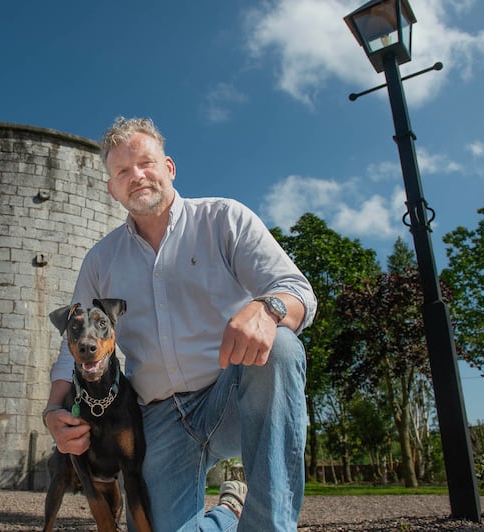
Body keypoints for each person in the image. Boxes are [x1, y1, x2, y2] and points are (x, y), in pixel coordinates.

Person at [43, 116, 316, 531]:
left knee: (280, 346)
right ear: (111, 189)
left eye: (145, 163)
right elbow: (76, 341)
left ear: (168, 167)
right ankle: (228, 513)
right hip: (160, 417)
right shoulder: (101, 259)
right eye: (122, 172)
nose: (136, 176)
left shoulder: (224, 219)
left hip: (232, 395)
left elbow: (296, 289)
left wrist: (269, 309)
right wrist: (52, 410)